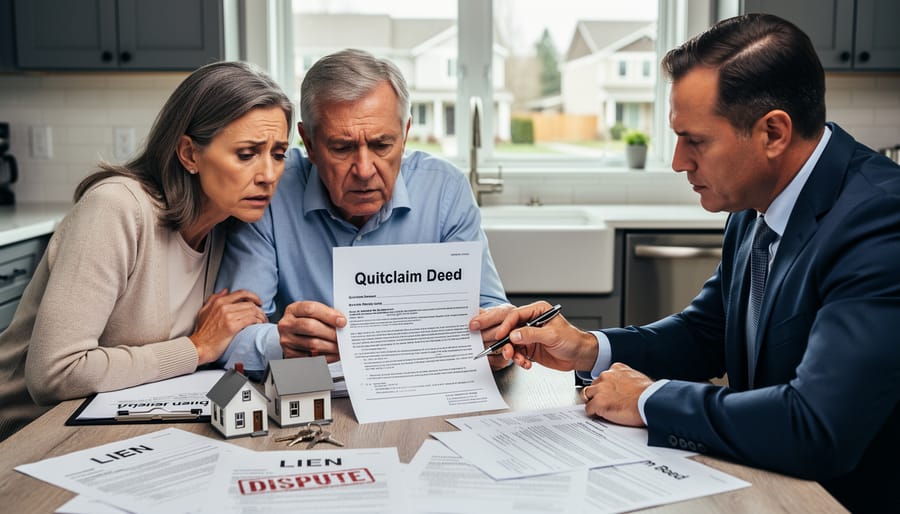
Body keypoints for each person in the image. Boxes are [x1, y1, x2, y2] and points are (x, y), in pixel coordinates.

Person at [473, 13, 900, 513]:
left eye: (694, 140)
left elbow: (817, 425)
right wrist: (587, 348)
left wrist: (649, 401)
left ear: (774, 133)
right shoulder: (756, 201)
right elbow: (705, 334)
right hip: (762, 482)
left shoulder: (880, 223)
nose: (678, 161)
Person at [0, 61, 293, 442]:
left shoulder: (227, 225)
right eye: (247, 153)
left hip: (118, 428)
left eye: (279, 154)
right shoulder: (116, 208)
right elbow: (55, 374)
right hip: (28, 436)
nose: (269, 175)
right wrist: (196, 348)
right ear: (189, 153)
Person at [216, 48, 509, 378]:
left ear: (406, 134)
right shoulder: (268, 191)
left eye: (382, 145)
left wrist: (500, 338)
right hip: (313, 396)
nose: (365, 170)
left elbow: (492, 308)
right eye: (342, 148)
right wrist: (283, 342)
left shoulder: (445, 189)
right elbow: (230, 337)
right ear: (309, 144)